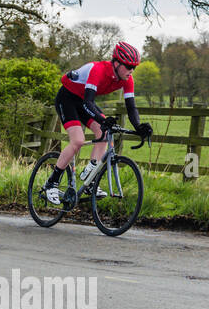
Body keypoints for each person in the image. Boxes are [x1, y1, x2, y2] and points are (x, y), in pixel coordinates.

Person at [44, 41, 152, 204]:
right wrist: (103, 119)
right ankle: (51, 183)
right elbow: (88, 102)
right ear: (116, 63)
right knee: (78, 141)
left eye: (134, 67)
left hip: (84, 101)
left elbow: (131, 108)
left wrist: (139, 127)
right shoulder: (99, 70)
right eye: (128, 66)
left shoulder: (127, 80)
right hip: (67, 98)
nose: (131, 71)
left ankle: (89, 179)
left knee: (105, 134)